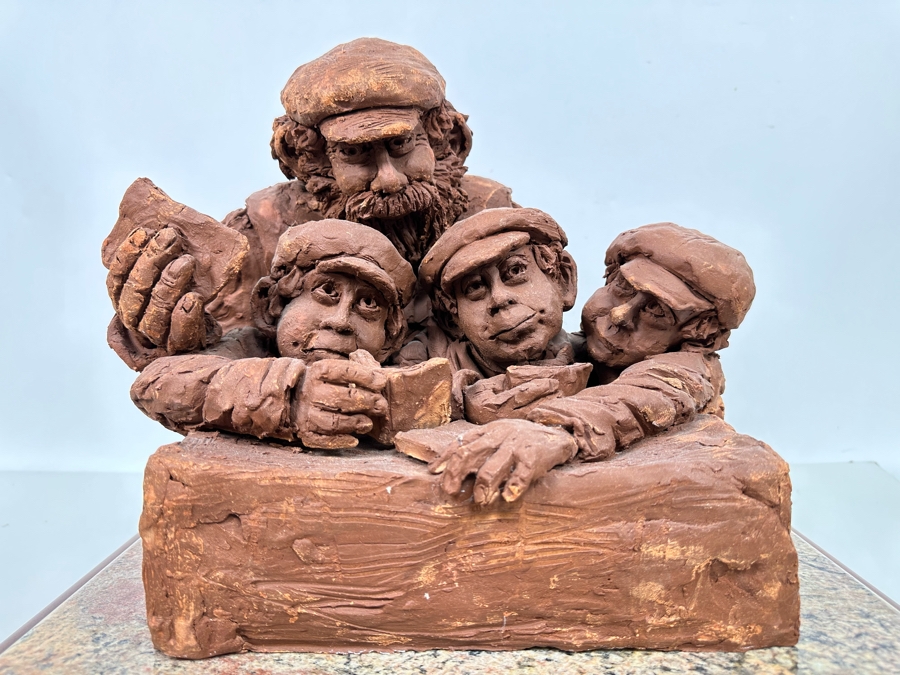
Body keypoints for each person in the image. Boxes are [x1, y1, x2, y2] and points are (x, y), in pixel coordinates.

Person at [106, 37, 517, 371]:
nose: (388, 178)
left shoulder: (489, 216)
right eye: (355, 154)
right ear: (311, 161)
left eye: (402, 144)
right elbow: (216, 353)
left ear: (444, 139)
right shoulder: (263, 234)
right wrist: (166, 333)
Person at [429, 222, 756, 507]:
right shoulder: (568, 349)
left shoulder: (689, 369)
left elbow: (643, 395)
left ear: (695, 337)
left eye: (657, 312)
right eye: (621, 288)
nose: (620, 315)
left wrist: (553, 430)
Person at [130, 219, 417, 449]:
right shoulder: (250, 345)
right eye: (327, 291)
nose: (341, 321)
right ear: (272, 306)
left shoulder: (403, 369)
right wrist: (290, 398)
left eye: (369, 304)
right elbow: (156, 384)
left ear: (391, 338)